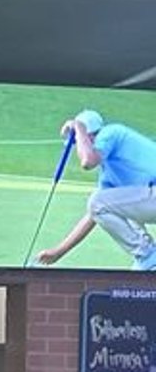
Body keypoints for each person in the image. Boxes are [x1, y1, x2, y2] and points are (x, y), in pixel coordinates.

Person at [35, 110, 156, 270]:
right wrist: (58, 252)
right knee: (108, 204)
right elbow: (93, 214)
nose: (78, 148)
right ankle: (148, 260)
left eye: (79, 142)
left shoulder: (112, 132)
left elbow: (87, 162)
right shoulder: (109, 176)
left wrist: (78, 127)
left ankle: (148, 255)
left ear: (90, 136)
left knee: (99, 201)